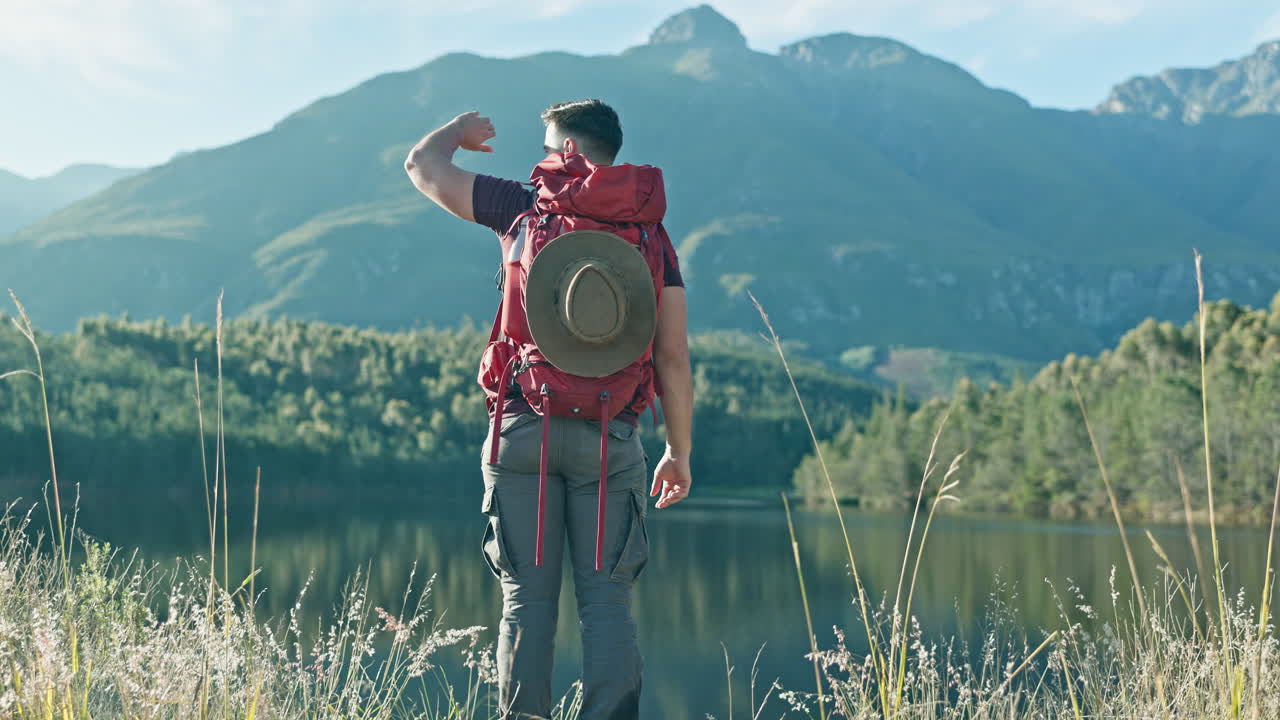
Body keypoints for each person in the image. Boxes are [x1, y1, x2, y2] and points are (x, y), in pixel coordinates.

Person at [404, 99, 694, 719]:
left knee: (526, 604)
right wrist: (678, 450)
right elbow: (671, 354)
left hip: (523, 432)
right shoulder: (652, 234)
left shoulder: (522, 208)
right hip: (610, 438)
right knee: (607, 605)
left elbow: (421, 165)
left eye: (545, 148)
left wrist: (457, 132)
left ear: (567, 152)